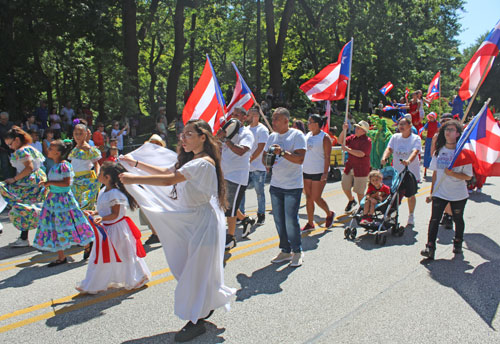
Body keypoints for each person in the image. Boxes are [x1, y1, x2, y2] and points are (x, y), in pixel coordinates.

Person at [119, 119, 235, 342]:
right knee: (190, 266)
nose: (183, 138)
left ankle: (195, 320)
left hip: (203, 222)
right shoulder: (193, 160)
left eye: (189, 134)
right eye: (183, 134)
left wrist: (135, 178)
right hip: (194, 220)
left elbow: (170, 179)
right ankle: (203, 306)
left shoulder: (203, 163)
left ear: (203, 137)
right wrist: (134, 164)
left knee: (195, 271)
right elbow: (166, 170)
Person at [77, 162, 150, 293]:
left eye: (100, 173)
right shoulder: (103, 190)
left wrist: (102, 218)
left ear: (108, 177)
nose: (98, 175)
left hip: (117, 229)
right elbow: (104, 210)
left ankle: (138, 277)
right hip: (107, 229)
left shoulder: (115, 194)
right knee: (103, 256)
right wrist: (94, 213)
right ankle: (94, 283)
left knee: (126, 254)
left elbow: (115, 214)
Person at [33, 139, 94, 266]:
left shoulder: (64, 165)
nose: (48, 150)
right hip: (52, 200)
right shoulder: (54, 166)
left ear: (58, 152)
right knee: (54, 226)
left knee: (71, 224)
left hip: (63, 201)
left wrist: (49, 183)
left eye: (51, 148)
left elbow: (66, 184)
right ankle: (61, 257)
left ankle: (87, 243)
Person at [420, 120, 472, 260]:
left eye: (451, 129)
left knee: (457, 219)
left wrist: (453, 174)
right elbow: (436, 173)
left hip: (458, 195)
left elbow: (468, 176)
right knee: (434, 220)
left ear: (458, 134)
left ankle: (458, 242)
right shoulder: (439, 151)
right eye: (446, 129)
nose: (447, 132)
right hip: (440, 193)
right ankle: (430, 247)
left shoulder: (463, 153)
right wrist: (432, 193)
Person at [263, 107, 306, 267]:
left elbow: (300, 159)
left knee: (290, 220)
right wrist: (268, 160)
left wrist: (282, 153)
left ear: (286, 121)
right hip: (276, 184)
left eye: (276, 119)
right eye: (272, 119)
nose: (273, 122)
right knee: (279, 220)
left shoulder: (297, 135)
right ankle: (285, 250)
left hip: (293, 185)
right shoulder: (272, 136)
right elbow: (264, 158)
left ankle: (298, 251)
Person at [1, 126, 47, 247]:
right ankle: (26, 237)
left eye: (10, 144)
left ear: (16, 140)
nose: (10, 147)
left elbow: (29, 167)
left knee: (24, 207)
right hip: (36, 181)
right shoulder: (29, 148)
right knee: (29, 207)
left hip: (29, 183)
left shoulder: (21, 151)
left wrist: (14, 179)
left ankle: (27, 237)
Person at [217, 107, 255, 248]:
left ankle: (231, 238)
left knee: (230, 208)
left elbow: (241, 151)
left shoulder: (247, 133)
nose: (234, 117)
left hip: (237, 176)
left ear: (244, 118)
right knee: (225, 203)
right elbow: (217, 148)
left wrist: (226, 140)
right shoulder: (227, 132)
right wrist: (218, 138)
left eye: (237, 115)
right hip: (224, 173)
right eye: (233, 114)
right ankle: (246, 220)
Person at [381, 116, 421, 226]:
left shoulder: (415, 138)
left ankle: (411, 215)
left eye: (404, 124)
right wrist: (385, 157)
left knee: (411, 195)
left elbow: (415, 151)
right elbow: (389, 148)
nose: (401, 126)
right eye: (400, 124)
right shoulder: (395, 137)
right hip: (397, 172)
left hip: (410, 172)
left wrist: (408, 161)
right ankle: (390, 214)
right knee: (393, 194)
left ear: (410, 126)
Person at [301, 114, 335, 232]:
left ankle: (329, 213)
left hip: (319, 171)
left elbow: (327, 156)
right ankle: (310, 223)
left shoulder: (324, 137)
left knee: (316, 197)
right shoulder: (307, 135)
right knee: (308, 198)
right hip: (306, 170)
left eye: (310, 122)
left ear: (316, 124)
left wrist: (325, 173)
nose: (308, 124)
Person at [238, 107, 269, 226]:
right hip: (246, 168)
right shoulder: (246, 129)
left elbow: (261, 147)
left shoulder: (262, 130)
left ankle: (261, 215)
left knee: (259, 192)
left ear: (256, 116)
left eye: (249, 115)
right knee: (241, 192)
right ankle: (242, 215)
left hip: (258, 168)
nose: (246, 117)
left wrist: (250, 159)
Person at [338, 120, 372, 213]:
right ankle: (351, 200)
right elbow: (340, 141)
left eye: (359, 128)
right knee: (345, 186)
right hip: (350, 167)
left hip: (361, 169)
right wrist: (344, 130)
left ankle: (362, 208)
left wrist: (348, 149)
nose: (356, 129)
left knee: (359, 191)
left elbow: (361, 154)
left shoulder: (367, 141)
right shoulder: (352, 138)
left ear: (364, 131)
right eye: (356, 127)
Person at [68, 123, 101, 212]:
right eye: (76, 134)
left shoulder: (89, 148)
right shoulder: (75, 148)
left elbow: (96, 164)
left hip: (85, 180)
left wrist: (98, 176)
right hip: (75, 180)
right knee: (76, 207)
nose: (78, 136)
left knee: (84, 207)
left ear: (86, 134)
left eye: (80, 133)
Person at [419, 112, 441, 177]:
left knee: (435, 153)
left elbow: (440, 130)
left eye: (432, 117)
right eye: (430, 117)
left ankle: (435, 169)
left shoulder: (437, 123)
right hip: (428, 139)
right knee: (427, 153)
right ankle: (425, 169)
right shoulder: (428, 123)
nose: (431, 118)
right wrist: (421, 131)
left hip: (435, 139)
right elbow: (423, 128)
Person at [0, 112, 16, 179]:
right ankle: (7, 179)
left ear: (8, 118)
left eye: (5, 119)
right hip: (3, 148)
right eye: (2, 119)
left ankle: (14, 178)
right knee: (5, 164)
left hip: (13, 148)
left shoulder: (11, 125)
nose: (4, 120)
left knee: (14, 164)